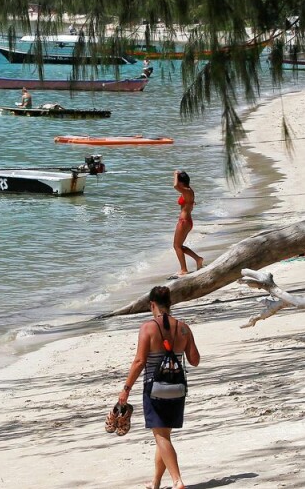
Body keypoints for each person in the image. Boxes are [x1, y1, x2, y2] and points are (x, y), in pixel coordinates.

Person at [118, 286, 200, 489]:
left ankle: (177, 481)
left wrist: (126, 389)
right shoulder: (183, 327)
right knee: (164, 435)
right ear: (169, 304)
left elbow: (139, 362)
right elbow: (195, 360)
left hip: (154, 389)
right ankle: (156, 482)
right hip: (177, 389)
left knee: (161, 436)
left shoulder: (148, 327)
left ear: (152, 304)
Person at [172, 170, 203, 277]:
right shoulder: (188, 191)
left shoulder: (186, 191)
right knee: (179, 246)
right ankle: (198, 259)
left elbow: (175, 186)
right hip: (186, 221)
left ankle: (184, 270)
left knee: (176, 246)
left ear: (181, 182)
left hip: (184, 221)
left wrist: (175, 174)